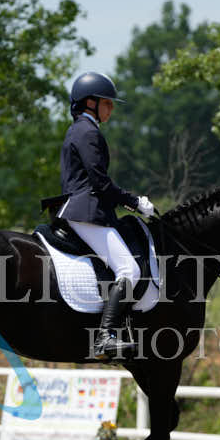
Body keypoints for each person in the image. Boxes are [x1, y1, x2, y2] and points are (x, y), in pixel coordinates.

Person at [58, 72, 155, 360]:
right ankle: (105, 336)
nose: (111, 109)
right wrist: (134, 202)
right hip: (86, 211)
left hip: (82, 208)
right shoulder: (88, 132)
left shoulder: (78, 129)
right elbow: (100, 183)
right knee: (130, 270)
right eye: (107, 103)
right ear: (90, 103)